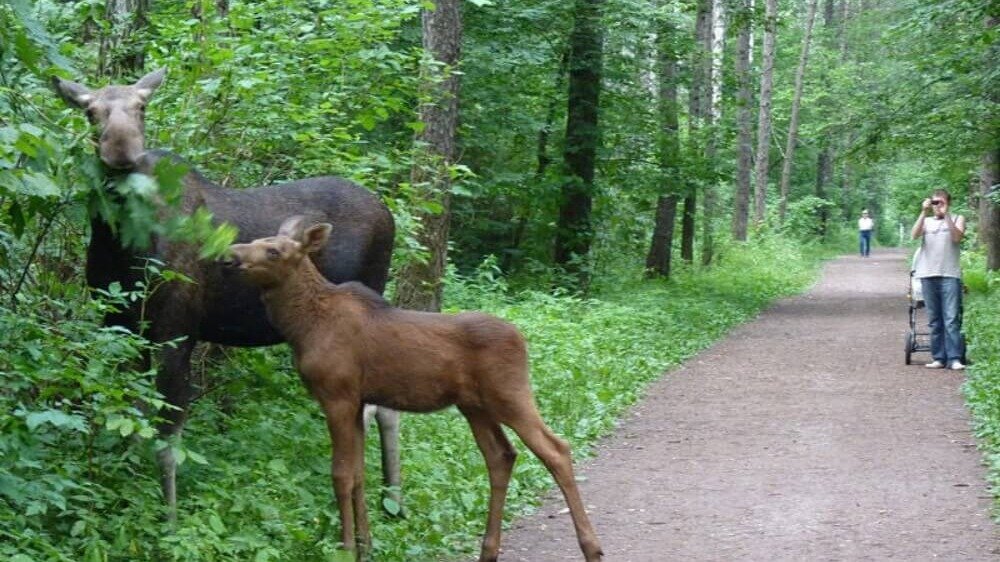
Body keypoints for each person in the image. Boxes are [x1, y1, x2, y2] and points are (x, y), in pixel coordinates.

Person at [911, 189, 966, 370]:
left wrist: (947, 214)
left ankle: (955, 358)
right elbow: (914, 235)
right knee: (935, 320)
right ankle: (938, 358)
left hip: (950, 274)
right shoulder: (926, 221)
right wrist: (923, 211)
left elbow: (957, 237)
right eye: (935, 202)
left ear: (948, 203)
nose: (938, 206)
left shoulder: (957, 218)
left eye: (941, 202)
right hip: (928, 274)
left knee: (951, 318)